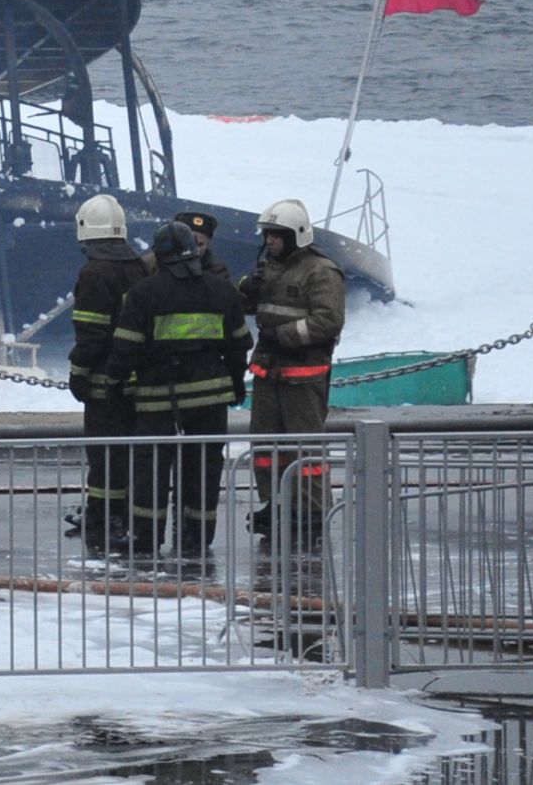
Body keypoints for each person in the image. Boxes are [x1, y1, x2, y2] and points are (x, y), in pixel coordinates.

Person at [106, 221, 253, 558]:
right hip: (211, 398)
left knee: (151, 472)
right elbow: (239, 344)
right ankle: (196, 538)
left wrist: (115, 381)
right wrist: (234, 381)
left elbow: (125, 347)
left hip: (158, 399)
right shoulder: (222, 290)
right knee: (202, 470)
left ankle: (145, 538)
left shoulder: (144, 293)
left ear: (160, 255)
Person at [237, 198, 345, 545]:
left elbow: (328, 320)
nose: (269, 241)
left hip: (303, 376)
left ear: (296, 235)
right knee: (265, 446)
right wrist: (246, 290)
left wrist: (285, 336)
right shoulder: (268, 267)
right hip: (270, 373)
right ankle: (276, 503)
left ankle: (312, 511)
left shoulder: (320, 271)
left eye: (276, 235)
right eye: (267, 235)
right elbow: (245, 304)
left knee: (305, 449)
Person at [67, 193, 148, 554]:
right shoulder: (138, 267)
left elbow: (92, 333)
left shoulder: (94, 272)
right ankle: (122, 514)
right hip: (136, 380)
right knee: (127, 452)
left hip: (103, 383)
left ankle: (103, 516)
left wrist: (78, 373)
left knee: (103, 455)